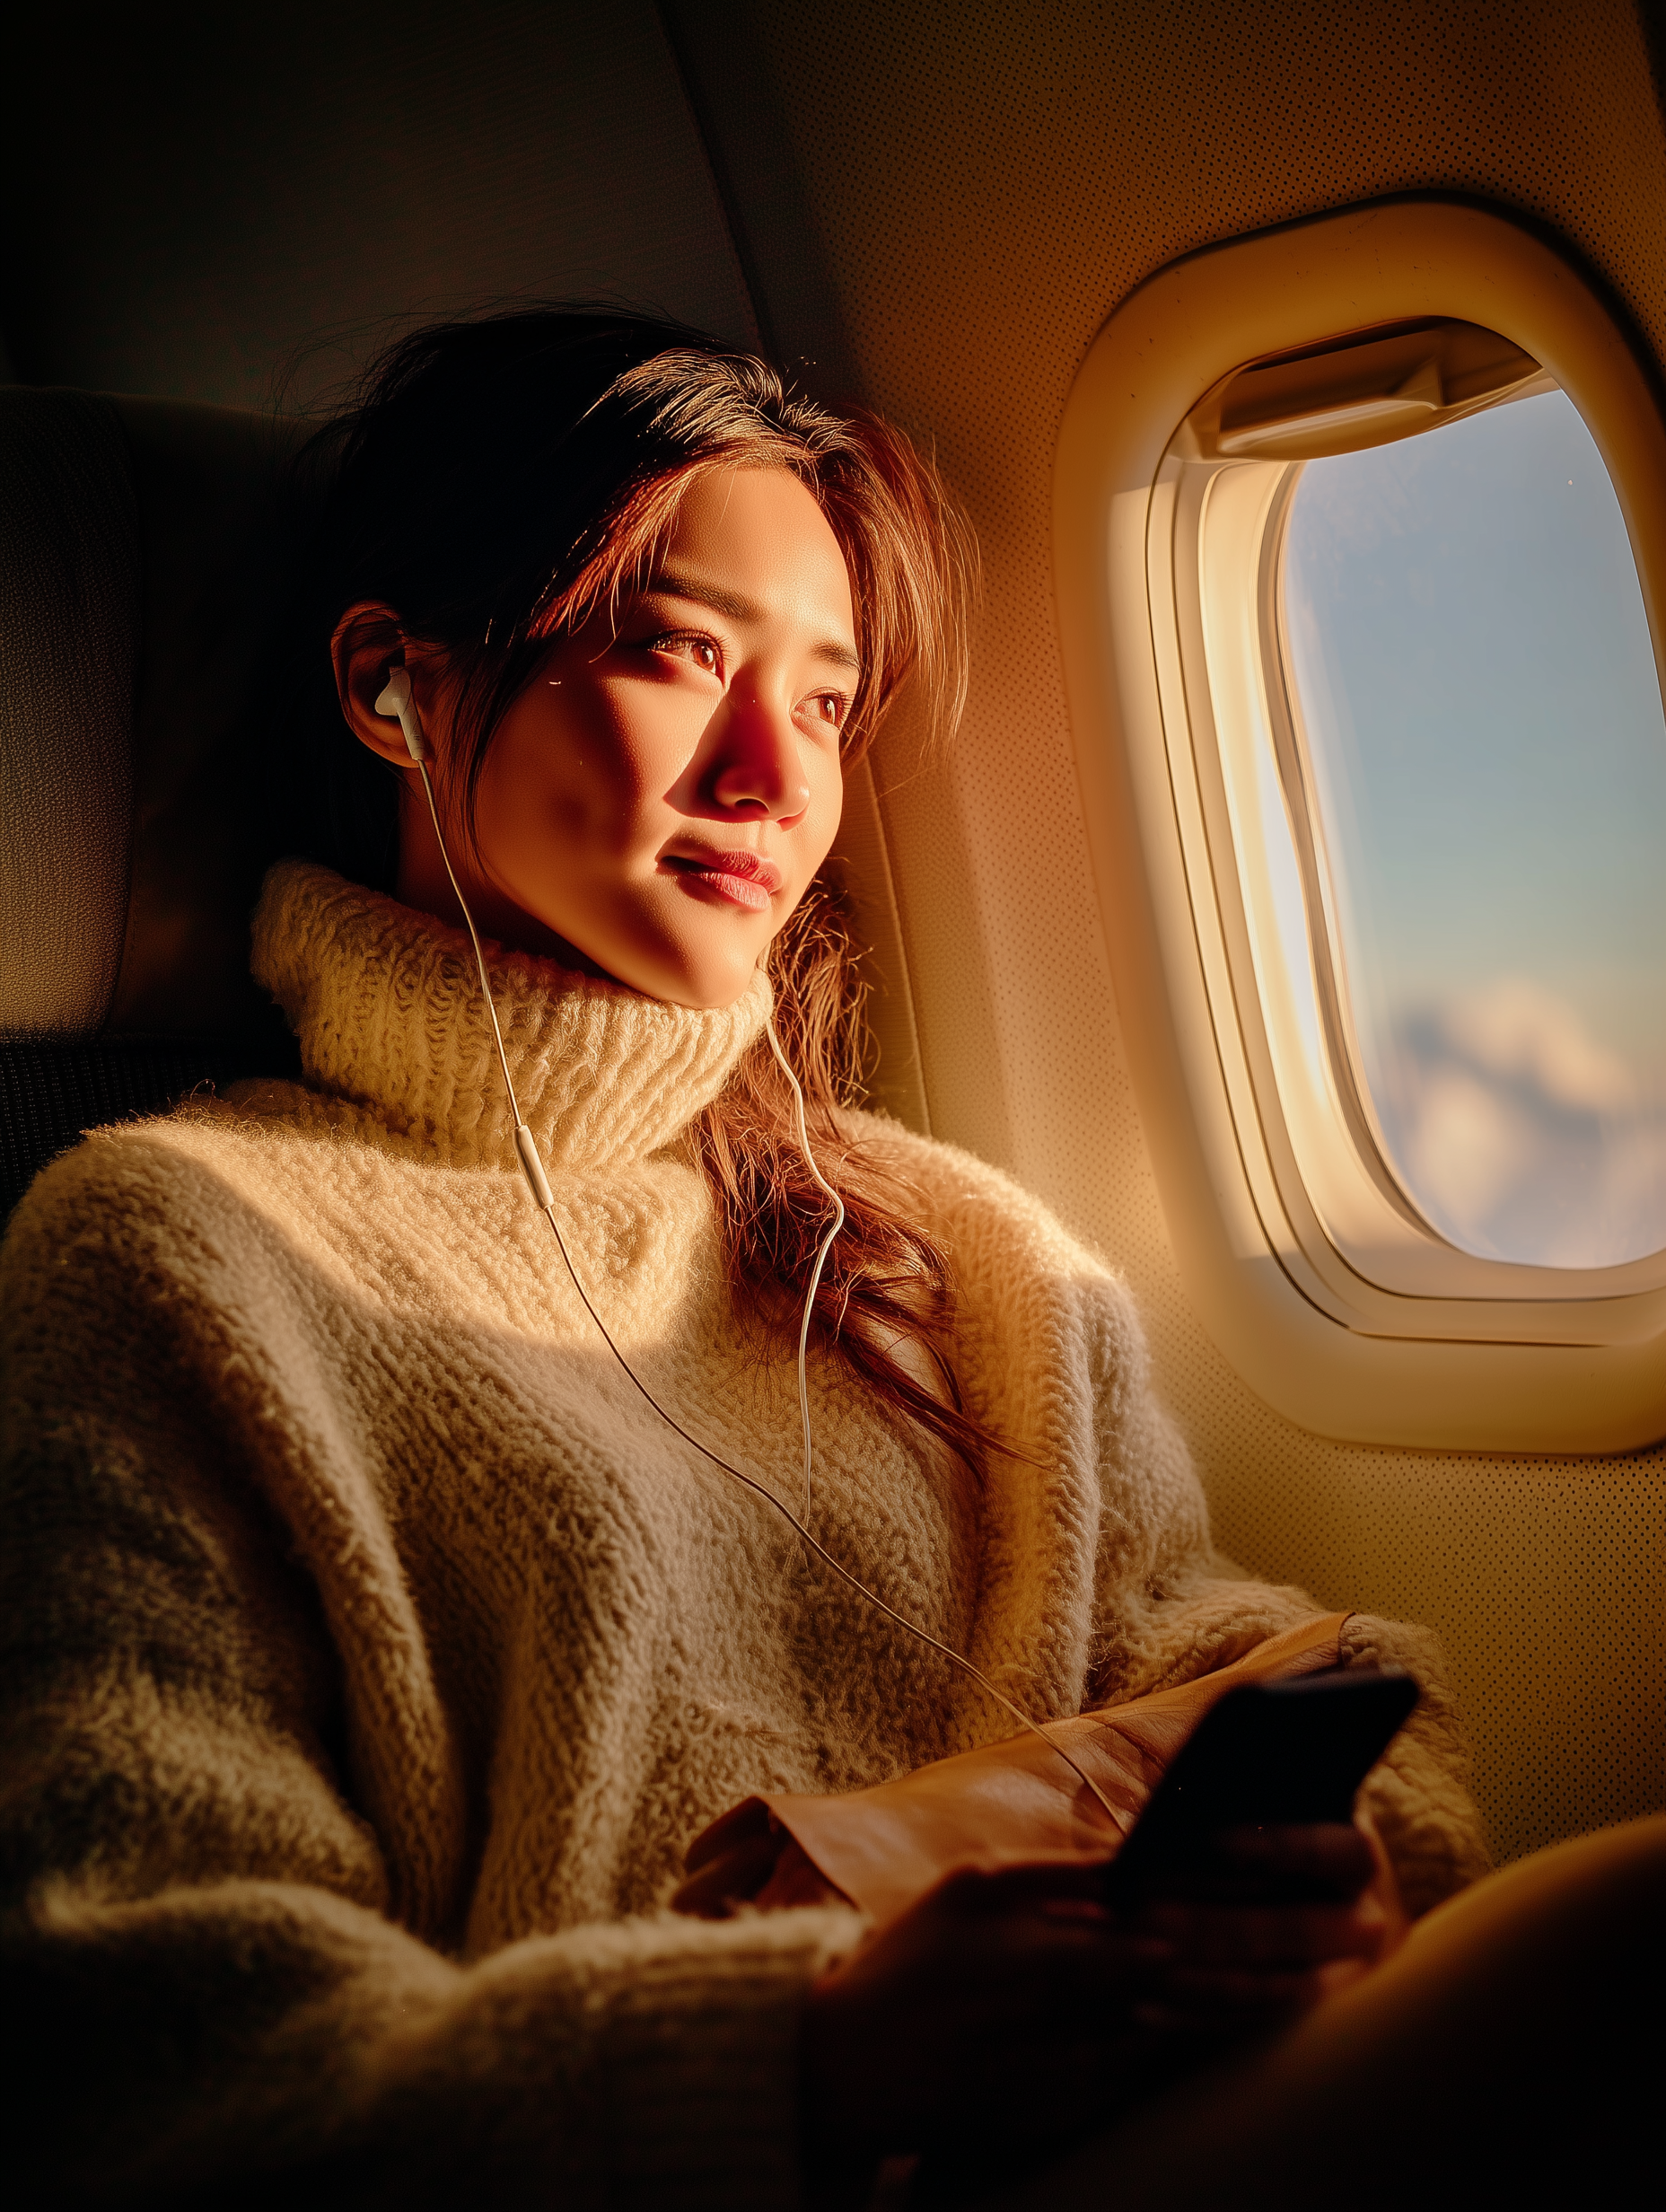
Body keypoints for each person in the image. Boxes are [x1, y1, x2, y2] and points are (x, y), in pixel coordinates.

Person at [1, 306, 1601, 2212]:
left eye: (830, 698)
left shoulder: (962, 1252)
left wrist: (1336, 1849)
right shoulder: (170, 1252)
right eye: (682, 652)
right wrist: (799, 2057)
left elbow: (1220, 1646)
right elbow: (154, 2054)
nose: (774, 773)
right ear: (393, 683)